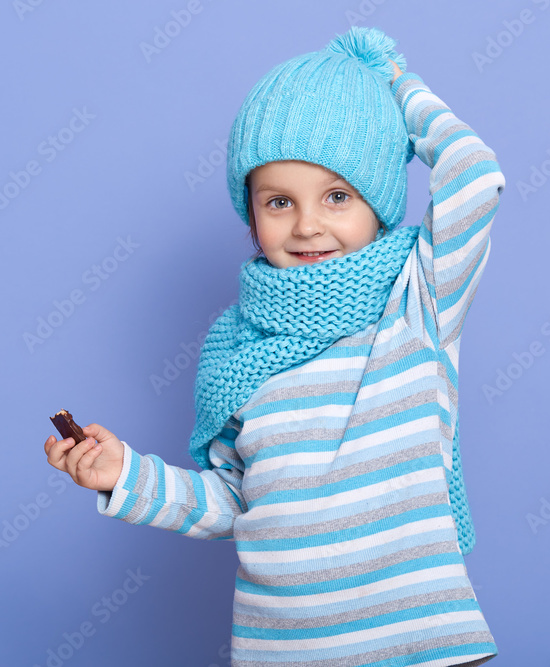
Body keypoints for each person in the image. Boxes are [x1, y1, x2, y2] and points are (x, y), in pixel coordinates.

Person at [44, 25, 505, 667]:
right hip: (286, 650)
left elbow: (475, 174)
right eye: (280, 201)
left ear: (379, 204)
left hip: (422, 648)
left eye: (338, 196)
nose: (308, 223)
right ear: (252, 215)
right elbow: (233, 499)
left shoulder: (417, 299)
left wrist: (395, 84)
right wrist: (126, 475)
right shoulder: (237, 350)